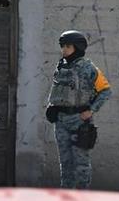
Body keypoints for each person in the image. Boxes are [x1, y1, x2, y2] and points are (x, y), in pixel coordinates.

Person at [46, 30, 111, 189]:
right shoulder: (61, 66)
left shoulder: (88, 68)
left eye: (68, 46)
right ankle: (66, 195)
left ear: (77, 47)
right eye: (62, 46)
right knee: (65, 162)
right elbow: (58, 91)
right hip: (61, 121)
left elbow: (106, 91)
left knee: (81, 163)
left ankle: (82, 197)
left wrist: (91, 110)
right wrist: (52, 107)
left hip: (79, 121)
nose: (64, 50)